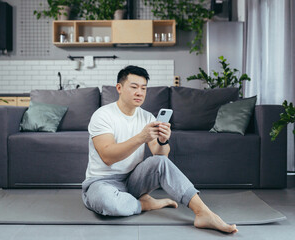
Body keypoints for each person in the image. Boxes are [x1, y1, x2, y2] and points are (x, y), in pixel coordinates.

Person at [82, 65, 238, 234]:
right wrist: (141, 137)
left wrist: (163, 141)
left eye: (143, 88)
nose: (139, 93)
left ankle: (204, 213)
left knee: (161, 161)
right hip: (102, 182)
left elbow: (159, 156)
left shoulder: (147, 117)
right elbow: (107, 156)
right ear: (119, 88)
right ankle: (144, 204)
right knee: (107, 202)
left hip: (133, 181)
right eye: (134, 87)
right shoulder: (103, 115)